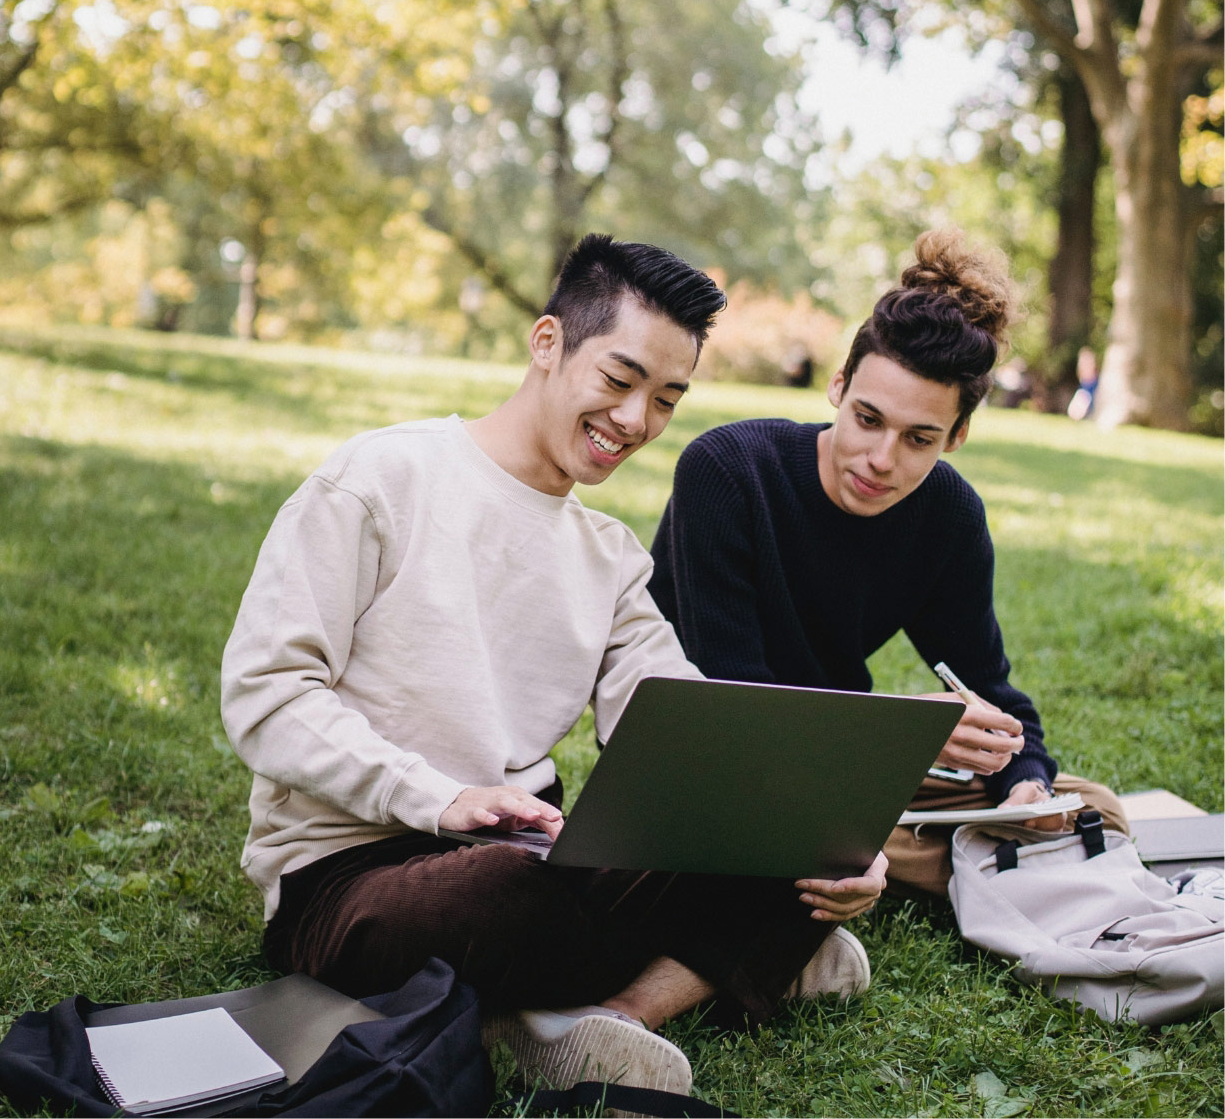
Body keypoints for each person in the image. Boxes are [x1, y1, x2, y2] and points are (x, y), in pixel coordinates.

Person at [221, 234, 887, 1101]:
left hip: (533, 847)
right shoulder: (380, 478)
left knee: (769, 846)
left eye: (666, 398)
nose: (636, 421)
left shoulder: (608, 556)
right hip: (353, 873)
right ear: (547, 343)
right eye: (618, 380)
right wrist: (439, 797)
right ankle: (725, 961)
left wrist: (828, 835)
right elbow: (267, 696)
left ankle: (607, 1016)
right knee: (505, 891)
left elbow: (684, 724)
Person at [648, 229, 1128, 899]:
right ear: (838, 387)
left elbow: (988, 691)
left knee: (1092, 806)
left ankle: (868, 850)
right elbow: (737, 713)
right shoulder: (727, 473)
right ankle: (883, 857)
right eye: (868, 418)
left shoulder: (949, 517)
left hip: (837, 768)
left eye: (919, 438)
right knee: (761, 821)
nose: (881, 457)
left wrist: (1024, 781)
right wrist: (907, 735)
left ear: (956, 436)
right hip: (709, 762)